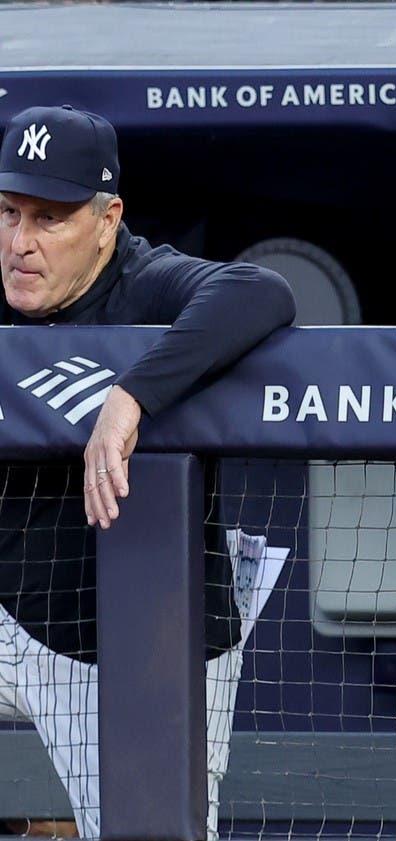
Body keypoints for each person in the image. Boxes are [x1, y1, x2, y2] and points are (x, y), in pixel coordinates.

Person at [0, 105, 296, 839]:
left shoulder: (145, 279)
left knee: (147, 828)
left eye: (50, 218)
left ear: (107, 220)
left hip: (142, 643)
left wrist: (131, 395)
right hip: (13, 611)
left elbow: (262, 292)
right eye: (8, 212)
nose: (20, 242)